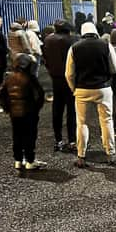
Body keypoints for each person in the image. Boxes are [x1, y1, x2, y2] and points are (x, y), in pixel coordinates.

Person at [65, 22, 116, 167]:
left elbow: (69, 74)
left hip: (82, 89)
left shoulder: (74, 48)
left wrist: (74, 89)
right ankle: (110, 153)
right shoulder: (105, 45)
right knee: (106, 120)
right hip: (103, 88)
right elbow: (115, 68)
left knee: (82, 123)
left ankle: (81, 155)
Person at [0, 54, 46, 170]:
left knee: (17, 136)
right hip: (29, 111)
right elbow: (40, 94)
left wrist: (7, 107)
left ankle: (18, 160)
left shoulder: (9, 77)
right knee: (29, 136)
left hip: (14, 112)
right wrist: (37, 108)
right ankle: (30, 160)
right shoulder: (29, 77)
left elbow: (0, 93)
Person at [43, 20, 79, 151]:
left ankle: (58, 139)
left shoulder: (48, 40)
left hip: (55, 78)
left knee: (57, 109)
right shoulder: (72, 40)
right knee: (71, 110)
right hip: (69, 78)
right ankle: (72, 140)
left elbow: (45, 58)